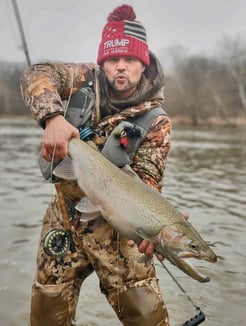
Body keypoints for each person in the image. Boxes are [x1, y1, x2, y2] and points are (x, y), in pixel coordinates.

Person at [21, 4, 172, 326]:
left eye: (130, 60)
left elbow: (146, 184)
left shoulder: (156, 121)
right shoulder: (81, 78)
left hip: (118, 234)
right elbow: (35, 75)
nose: (120, 67)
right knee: (46, 315)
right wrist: (52, 117)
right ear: (102, 61)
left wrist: (151, 227)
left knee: (147, 319)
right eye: (113, 59)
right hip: (65, 220)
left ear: (142, 64)